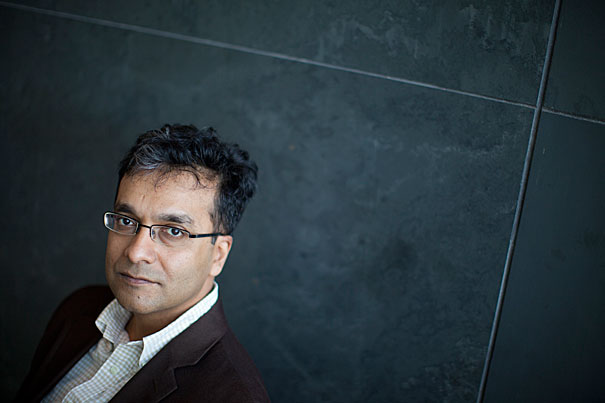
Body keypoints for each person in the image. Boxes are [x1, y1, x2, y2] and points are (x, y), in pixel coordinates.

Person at [15, 124, 270, 402]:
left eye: (173, 231)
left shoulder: (233, 395)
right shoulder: (78, 309)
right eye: (126, 221)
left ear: (218, 255)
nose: (136, 253)